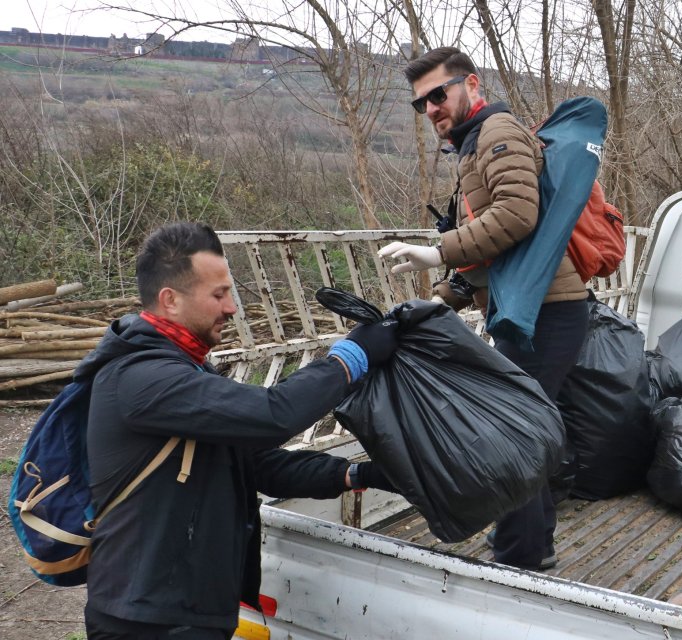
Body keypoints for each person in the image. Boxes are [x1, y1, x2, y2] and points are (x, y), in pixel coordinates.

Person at [83, 222, 401, 639]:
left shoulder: (187, 370)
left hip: (190, 609)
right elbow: (272, 415)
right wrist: (350, 358)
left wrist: (358, 475)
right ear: (170, 300)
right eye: (219, 294)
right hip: (147, 618)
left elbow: (256, 464)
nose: (232, 307)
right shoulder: (141, 379)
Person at [378, 46, 588, 572]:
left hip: (546, 312)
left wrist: (436, 251)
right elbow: (494, 250)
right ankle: (527, 548)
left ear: (471, 85)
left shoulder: (497, 134)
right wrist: (441, 298)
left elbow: (516, 216)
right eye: (420, 103)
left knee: (517, 433)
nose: (430, 108)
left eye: (437, 94)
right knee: (526, 430)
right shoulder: (473, 145)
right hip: (529, 308)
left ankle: (521, 557)